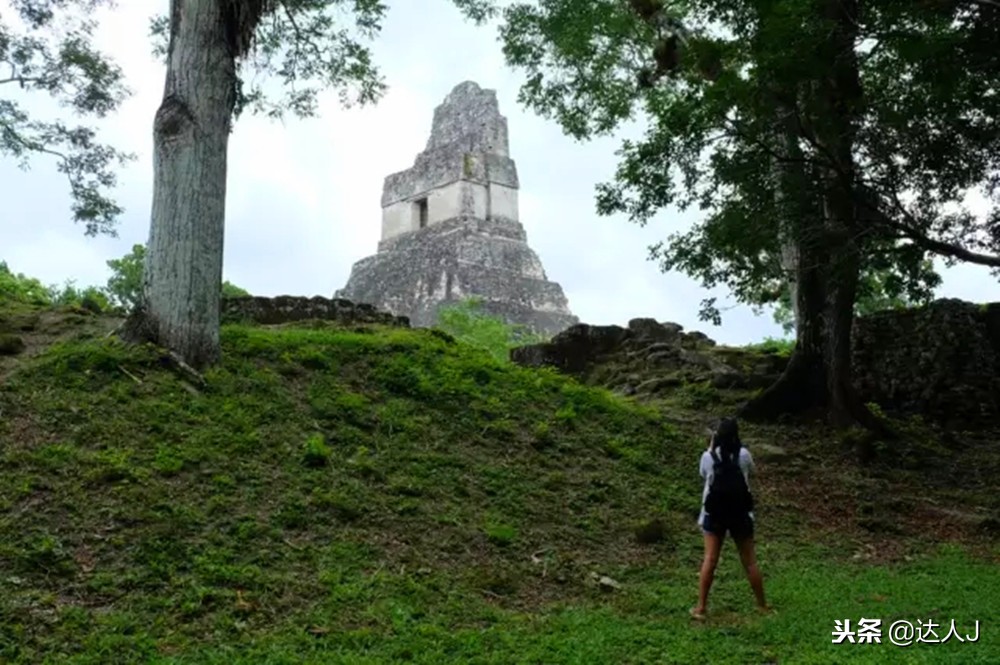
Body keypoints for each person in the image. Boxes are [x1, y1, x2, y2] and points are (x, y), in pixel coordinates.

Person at [691, 417, 768, 620]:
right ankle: (762, 605)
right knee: (750, 562)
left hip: (713, 514)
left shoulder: (707, 457)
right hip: (740, 514)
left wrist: (711, 448)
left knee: (710, 559)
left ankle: (701, 607)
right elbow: (752, 471)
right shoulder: (743, 454)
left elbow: (702, 475)